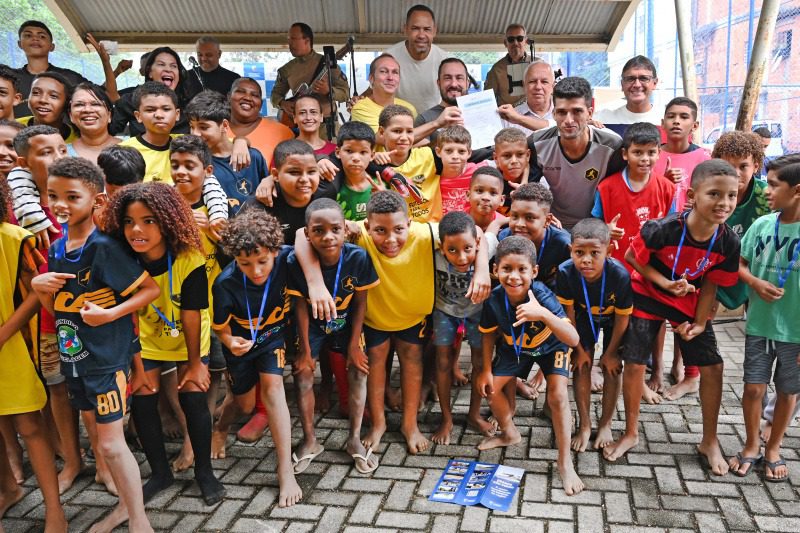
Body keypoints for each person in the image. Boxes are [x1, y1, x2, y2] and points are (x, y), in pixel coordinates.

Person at [303, 190, 490, 453]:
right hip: (375, 319)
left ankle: (409, 424)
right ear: (368, 226)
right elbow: (303, 235)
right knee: (376, 367)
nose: (391, 239)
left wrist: (482, 268)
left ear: (409, 224)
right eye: (380, 230)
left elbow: (478, 234)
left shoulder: (426, 233)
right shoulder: (357, 234)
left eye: (398, 229)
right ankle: (378, 423)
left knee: (412, 366)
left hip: (413, 319)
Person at [32, 157, 159, 533]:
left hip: (106, 360)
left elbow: (150, 290)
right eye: (53, 195)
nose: (61, 204)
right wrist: (40, 290)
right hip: (75, 358)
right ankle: (126, 509)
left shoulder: (104, 246)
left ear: (98, 199)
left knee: (111, 445)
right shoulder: (57, 246)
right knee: (103, 443)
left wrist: (111, 313)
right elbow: (58, 309)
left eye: (72, 196)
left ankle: (139, 520)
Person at [605, 160, 741, 475]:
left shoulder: (728, 241)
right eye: (715, 194)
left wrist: (701, 322)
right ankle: (630, 433)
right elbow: (630, 257)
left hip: (688, 304)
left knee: (714, 367)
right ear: (692, 195)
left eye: (732, 196)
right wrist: (665, 283)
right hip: (647, 294)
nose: (724, 203)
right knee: (635, 363)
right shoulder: (662, 228)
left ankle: (709, 440)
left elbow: (711, 283)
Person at [103, 182, 226, 507]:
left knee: (193, 398)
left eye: (148, 221)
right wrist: (138, 368)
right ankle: (160, 472)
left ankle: (204, 472)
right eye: (128, 222)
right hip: (142, 341)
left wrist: (197, 365)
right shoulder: (121, 259)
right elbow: (126, 318)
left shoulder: (190, 259)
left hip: (188, 339)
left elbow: (191, 315)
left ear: (168, 221)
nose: (136, 230)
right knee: (143, 402)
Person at [665, 130, 768, 401]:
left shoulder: (764, 197)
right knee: (690, 313)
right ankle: (688, 372)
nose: (736, 172)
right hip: (710, 267)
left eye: (743, 166)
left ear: (756, 165)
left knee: (758, 327)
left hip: (754, 272)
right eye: (728, 164)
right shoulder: (709, 192)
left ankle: (759, 382)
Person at [476, 236, 584, 495]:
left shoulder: (543, 296)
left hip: (551, 347)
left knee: (558, 396)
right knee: (490, 389)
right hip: (517, 350)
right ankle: (510, 433)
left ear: (534, 272)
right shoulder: (494, 299)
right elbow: (488, 334)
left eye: (522, 269)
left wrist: (543, 314)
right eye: (506, 269)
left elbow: (572, 338)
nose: (514, 276)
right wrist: (486, 370)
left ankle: (564, 461)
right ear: (495, 270)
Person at [210, 209, 303, 508]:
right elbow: (220, 327)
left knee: (275, 391)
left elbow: (307, 239)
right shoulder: (225, 283)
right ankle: (221, 428)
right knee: (243, 404)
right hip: (239, 345)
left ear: (275, 251)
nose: (257, 270)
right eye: (245, 264)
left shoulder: (288, 259)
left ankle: (285, 469)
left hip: (272, 340)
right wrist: (228, 341)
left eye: (263, 261)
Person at [288, 198, 379, 472]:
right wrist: (304, 350)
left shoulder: (358, 256)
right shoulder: (297, 261)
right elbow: (300, 306)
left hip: (346, 322)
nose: (328, 237)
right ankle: (310, 440)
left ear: (345, 230)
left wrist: (354, 346)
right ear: (307, 233)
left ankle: (354, 439)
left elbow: (361, 302)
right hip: (312, 325)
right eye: (318, 230)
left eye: (335, 229)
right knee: (303, 375)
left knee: (359, 372)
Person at [0, 176, 68, 531]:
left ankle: (55, 510)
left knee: (29, 426)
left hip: (11, 348)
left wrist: (4, 333)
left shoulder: (13, 238)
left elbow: (34, 293)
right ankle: (8, 490)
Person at [593, 122, 675, 403]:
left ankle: (652, 372)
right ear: (626, 154)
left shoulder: (666, 187)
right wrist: (607, 230)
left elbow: (674, 226)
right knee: (618, 322)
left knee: (651, 323)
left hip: (652, 271)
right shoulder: (607, 187)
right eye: (638, 152)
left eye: (651, 152)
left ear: (659, 153)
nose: (645, 159)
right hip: (617, 270)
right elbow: (595, 224)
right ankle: (615, 368)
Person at [730, 154, 800, 481]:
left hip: (796, 333)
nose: (766, 191)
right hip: (759, 325)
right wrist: (755, 282)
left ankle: (773, 446)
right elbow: (740, 265)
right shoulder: (761, 224)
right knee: (753, 387)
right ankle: (751, 444)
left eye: (773, 184)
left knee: (788, 391)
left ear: (796, 191)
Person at [556, 218, 632, 452]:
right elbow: (569, 316)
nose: (586, 259)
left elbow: (622, 319)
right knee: (580, 366)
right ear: (571, 251)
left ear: (608, 251)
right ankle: (585, 425)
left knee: (612, 367)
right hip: (582, 318)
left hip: (613, 323)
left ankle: (606, 423)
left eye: (594, 253)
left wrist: (609, 354)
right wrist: (578, 351)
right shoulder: (565, 272)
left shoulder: (619, 275)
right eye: (579, 252)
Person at [118, 82, 230, 237]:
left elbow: (222, 140)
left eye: (166, 109)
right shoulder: (125, 151)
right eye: (150, 110)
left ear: (177, 114)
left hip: (201, 234)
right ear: (138, 116)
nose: (158, 114)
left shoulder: (190, 143)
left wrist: (242, 142)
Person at [431, 211, 497, 444]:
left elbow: (491, 229)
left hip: (477, 314)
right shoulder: (434, 251)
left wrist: (480, 260)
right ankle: (446, 418)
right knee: (442, 363)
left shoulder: (484, 245)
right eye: (452, 250)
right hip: (444, 313)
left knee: (480, 362)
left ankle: (473, 414)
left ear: (477, 244)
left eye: (467, 249)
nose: (461, 258)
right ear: (441, 247)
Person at [529, 76, 624, 228]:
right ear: (553, 114)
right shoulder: (536, 143)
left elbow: (617, 192)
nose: (569, 120)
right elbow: (530, 192)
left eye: (577, 111)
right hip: (553, 225)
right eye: (562, 112)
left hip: (597, 227)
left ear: (590, 113)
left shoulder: (613, 145)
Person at [186, 90, 270, 214]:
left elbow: (270, 189)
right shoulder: (197, 163)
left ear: (224, 125)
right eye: (192, 127)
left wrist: (272, 179)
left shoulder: (253, 156)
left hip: (256, 230)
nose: (195, 134)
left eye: (203, 127)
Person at [12, 21, 117, 118]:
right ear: (19, 44)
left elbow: (110, 96)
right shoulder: (10, 79)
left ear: (52, 46)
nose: (35, 38)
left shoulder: (69, 77)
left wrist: (105, 62)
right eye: (28, 35)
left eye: (42, 36)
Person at [270, 22, 349, 128]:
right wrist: (282, 103)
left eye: (293, 39)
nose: (289, 43)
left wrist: (328, 91)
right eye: (289, 39)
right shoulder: (286, 69)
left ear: (307, 40)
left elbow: (345, 94)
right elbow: (275, 95)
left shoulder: (329, 64)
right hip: (299, 129)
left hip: (326, 129)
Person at [111, 46, 200, 137]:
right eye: (161, 64)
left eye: (173, 66)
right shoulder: (129, 101)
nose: (168, 69)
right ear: (149, 72)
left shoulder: (191, 105)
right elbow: (109, 131)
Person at [384, 5, 449, 113]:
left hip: (434, 123)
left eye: (427, 29)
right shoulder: (390, 57)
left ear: (434, 31)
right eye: (415, 28)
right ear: (405, 29)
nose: (421, 35)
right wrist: (358, 101)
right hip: (399, 123)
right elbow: (375, 90)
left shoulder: (445, 60)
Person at [651, 97, 710, 212]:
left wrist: (700, 205)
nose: (676, 121)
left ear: (695, 126)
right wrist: (665, 182)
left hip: (692, 226)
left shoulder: (705, 158)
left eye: (684, 117)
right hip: (658, 225)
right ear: (663, 123)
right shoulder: (650, 156)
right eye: (671, 116)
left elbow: (713, 193)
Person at [229, 77, 294, 169]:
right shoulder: (213, 129)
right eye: (241, 91)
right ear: (228, 97)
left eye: (255, 95)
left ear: (261, 104)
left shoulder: (283, 133)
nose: (248, 98)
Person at [350, 55, 417, 135]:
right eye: (383, 71)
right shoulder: (360, 108)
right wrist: (434, 124)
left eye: (395, 72)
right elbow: (385, 138)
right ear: (371, 78)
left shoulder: (409, 108)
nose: (390, 77)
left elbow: (417, 140)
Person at [594, 55, 661, 134]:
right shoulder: (601, 119)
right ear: (622, 84)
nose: (637, 85)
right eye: (630, 79)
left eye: (644, 78)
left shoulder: (665, 120)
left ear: (655, 83)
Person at [412, 58, 470, 145]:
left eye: (459, 78)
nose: (454, 84)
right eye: (447, 78)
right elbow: (422, 155)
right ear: (439, 83)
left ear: (467, 83)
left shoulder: (483, 111)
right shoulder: (425, 119)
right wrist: (442, 129)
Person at [436, 125, 487, 216]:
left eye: (461, 151)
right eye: (449, 151)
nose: (455, 156)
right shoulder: (432, 180)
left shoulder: (478, 172)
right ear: (438, 152)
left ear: (469, 153)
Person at [498, 60, 557, 136]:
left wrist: (518, 119)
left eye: (544, 82)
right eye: (532, 81)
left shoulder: (565, 114)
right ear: (524, 85)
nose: (538, 87)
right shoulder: (507, 119)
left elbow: (559, 128)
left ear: (553, 86)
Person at [67, 82, 121, 161]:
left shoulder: (131, 150)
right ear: (71, 116)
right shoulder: (60, 154)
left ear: (109, 115)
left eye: (96, 104)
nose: (87, 110)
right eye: (79, 105)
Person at [18, 72, 78, 142]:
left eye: (53, 96)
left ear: (67, 103)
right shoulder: (11, 128)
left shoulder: (80, 138)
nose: (43, 100)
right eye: (36, 93)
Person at [484, 24, 532, 107]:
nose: (515, 43)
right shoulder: (497, 69)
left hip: (534, 117)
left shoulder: (538, 64)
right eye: (511, 39)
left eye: (520, 38)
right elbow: (486, 100)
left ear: (526, 41)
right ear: (505, 43)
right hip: (508, 118)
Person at [466, 166, 507, 233]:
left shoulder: (505, 226)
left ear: (501, 200)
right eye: (479, 190)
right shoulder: (456, 222)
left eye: (493, 193)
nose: (486, 197)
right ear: (468, 195)